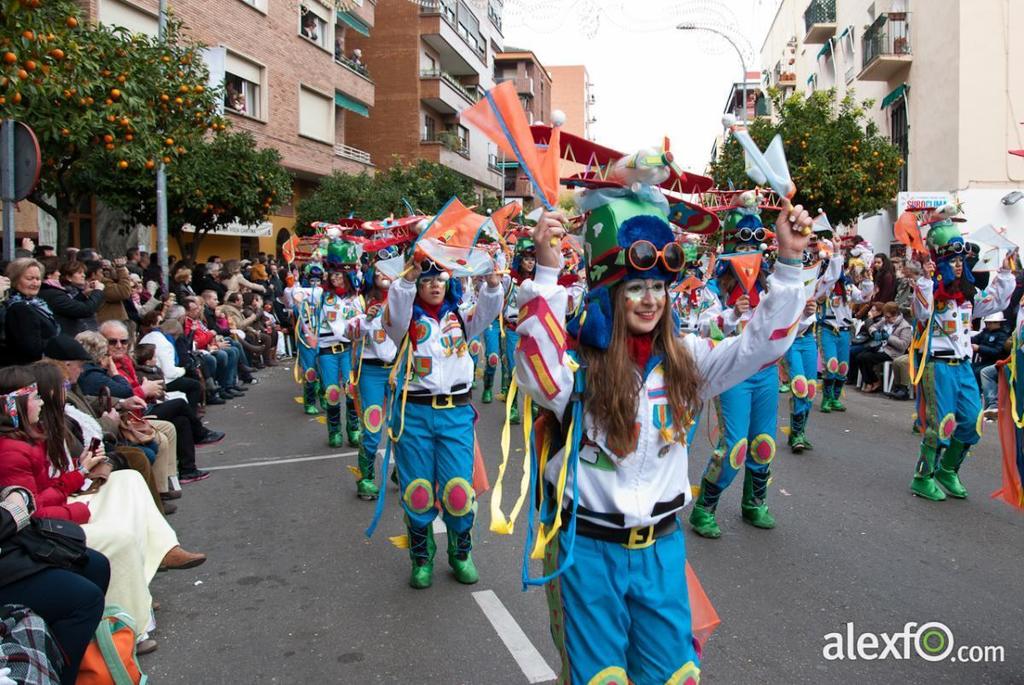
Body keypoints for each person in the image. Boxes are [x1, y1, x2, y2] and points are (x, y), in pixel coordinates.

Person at [512, 188, 813, 684]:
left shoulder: (688, 361)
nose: (650, 299)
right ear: (610, 292)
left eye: (658, 287)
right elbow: (534, 367)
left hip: (661, 552)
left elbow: (763, 346)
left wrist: (789, 262)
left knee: (674, 677)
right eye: (635, 287)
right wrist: (546, 271)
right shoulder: (578, 368)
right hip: (588, 554)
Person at [0, 364, 206, 652]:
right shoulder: (13, 450)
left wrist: (80, 473)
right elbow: (30, 513)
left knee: (130, 480)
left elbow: (42, 494)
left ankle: (157, 557)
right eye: (34, 397)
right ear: (14, 405)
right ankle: (133, 627)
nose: (42, 401)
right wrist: (78, 507)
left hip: (54, 513)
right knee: (119, 533)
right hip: (38, 535)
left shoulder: (28, 438)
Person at [381, 248, 503, 589]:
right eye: (427, 279)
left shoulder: (460, 318)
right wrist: (408, 275)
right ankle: (422, 559)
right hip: (415, 414)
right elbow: (395, 311)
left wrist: (492, 283)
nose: (434, 285)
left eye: (439, 279)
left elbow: (490, 311)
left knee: (458, 492)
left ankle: (461, 554)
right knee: (417, 491)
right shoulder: (403, 322)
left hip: (455, 413)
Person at [907, 206, 1015, 501]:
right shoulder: (932, 289)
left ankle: (948, 470)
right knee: (940, 426)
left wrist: (1005, 271)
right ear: (940, 260)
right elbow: (921, 312)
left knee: (972, 420)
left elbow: (994, 302)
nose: (958, 265)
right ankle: (922, 477)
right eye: (952, 259)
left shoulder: (965, 295)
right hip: (937, 365)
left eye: (961, 259)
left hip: (964, 366)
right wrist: (925, 279)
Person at [0, 486, 110, 685]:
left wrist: (17, 495)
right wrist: (17, 506)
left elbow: (27, 492)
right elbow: (41, 493)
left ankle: (86, 667)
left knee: (96, 565)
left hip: (15, 540)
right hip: (10, 549)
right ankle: (57, 676)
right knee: (85, 599)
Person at [347, 263, 396, 500]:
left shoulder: (404, 297)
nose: (383, 276)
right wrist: (365, 320)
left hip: (398, 370)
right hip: (371, 371)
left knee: (403, 424)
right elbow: (348, 333)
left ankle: (403, 471)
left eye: (388, 271)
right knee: (373, 424)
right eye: (378, 272)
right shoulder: (360, 301)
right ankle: (365, 478)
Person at [500, 237, 536, 424]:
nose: (530, 262)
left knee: (534, 369)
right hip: (513, 329)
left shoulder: (539, 280)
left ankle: (535, 405)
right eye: (527, 258)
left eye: (533, 259)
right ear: (520, 260)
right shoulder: (510, 279)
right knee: (512, 368)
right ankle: (512, 406)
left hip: (533, 332)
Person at [3, 258, 59, 365]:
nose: (35, 283)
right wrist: (59, 343)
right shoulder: (19, 308)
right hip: (30, 369)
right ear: (15, 279)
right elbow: (31, 347)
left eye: (38, 279)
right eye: (30, 278)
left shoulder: (37, 304)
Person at [851, 302, 912, 393]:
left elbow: (903, 345)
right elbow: (872, 327)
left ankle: (873, 382)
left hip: (893, 352)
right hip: (880, 348)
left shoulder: (904, 326)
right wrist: (874, 332)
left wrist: (889, 337)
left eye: (888, 317)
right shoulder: (885, 320)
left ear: (895, 314)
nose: (886, 319)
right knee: (859, 356)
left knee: (865, 358)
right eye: (885, 316)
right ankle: (872, 381)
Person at [37, 259, 105, 336]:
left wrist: (83, 294)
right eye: (58, 271)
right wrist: (98, 291)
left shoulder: (52, 291)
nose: (60, 274)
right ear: (49, 274)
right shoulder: (54, 294)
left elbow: (71, 305)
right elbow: (85, 310)